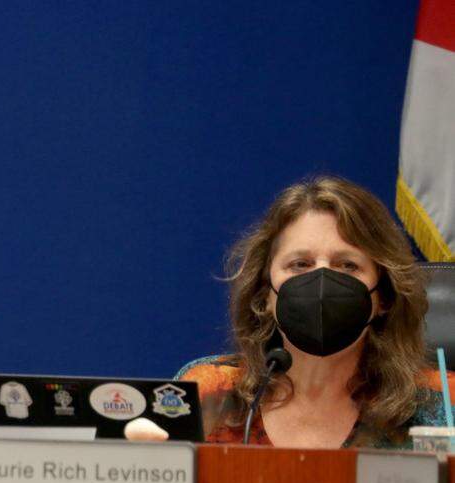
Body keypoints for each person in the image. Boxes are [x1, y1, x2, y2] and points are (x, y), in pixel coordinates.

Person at [175, 175, 450, 448]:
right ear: (264, 294)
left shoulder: (443, 403)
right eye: (300, 264)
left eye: (347, 265)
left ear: (384, 297)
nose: (321, 280)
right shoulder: (207, 392)